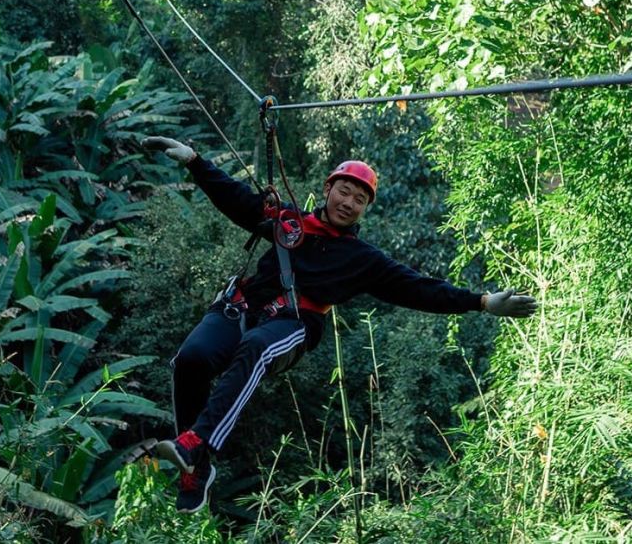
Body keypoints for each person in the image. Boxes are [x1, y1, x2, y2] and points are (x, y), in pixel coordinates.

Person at [142, 136, 538, 513]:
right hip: (240, 306)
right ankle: (194, 464)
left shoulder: (362, 259)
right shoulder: (288, 221)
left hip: (293, 325)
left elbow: (419, 289)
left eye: (360, 199)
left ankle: (198, 442)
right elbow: (238, 201)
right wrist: (195, 161)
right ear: (328, 188)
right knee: (190, 359)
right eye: (344, 191)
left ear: (365, 209)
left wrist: (482, 302)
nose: (349, 202)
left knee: (258, 348)